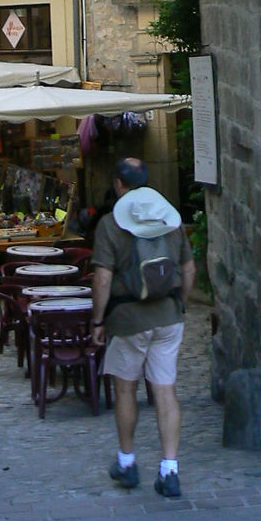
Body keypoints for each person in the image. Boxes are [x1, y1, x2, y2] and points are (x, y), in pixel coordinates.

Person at [91, 157, 196, 500]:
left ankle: (127, 462)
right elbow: (189, 268)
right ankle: (169, 470)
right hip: (168, 316)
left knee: (125, 390)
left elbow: (103, 278)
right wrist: (181, 302)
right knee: (165, 391)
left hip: (129, 318)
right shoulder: (170, 220)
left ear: (119, 185)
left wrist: (98, 319)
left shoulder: (109, 225)